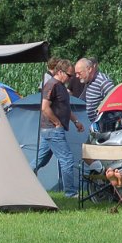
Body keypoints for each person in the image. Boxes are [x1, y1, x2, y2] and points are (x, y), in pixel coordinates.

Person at [35, 58, 84, 198]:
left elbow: (64, 108)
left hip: (50, 130)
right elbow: (44, 107)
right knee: (67, 159)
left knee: (40, 160)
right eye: (69, 75)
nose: (71, 78)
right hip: (52, 130)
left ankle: (21, 181)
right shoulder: (52, 85)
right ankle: (70, 193)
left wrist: (75, 121)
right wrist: (57, 123)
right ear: (60, 72)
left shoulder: (61, 86)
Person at [76, 57, 115, 131]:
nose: (77, 76)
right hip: (95, 125)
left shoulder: (103, 81)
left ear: (89, 69)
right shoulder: (89, 82)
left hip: (104, 127)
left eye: (79, 73)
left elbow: (115, 101)